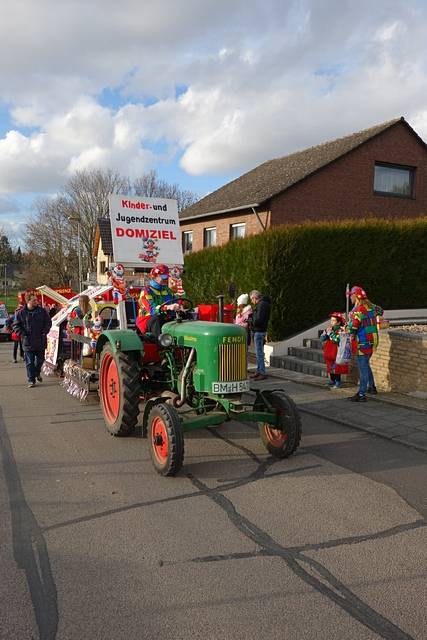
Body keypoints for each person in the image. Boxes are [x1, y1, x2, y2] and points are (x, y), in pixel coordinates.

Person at [346, 285, 383, 402]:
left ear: (355, 296)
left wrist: (348, 329)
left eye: (351, 295)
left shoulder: (358, 310)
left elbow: (354, 326)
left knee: (363, 369)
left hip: (361, 342)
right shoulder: (372, 307)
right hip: (372, 341)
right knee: (366, 365)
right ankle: (372, 387)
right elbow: (381, 311)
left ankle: (361, 394)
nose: (350, 298)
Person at [13, 292, 52, 388]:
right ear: (28, 301)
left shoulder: (42, 311)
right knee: (30, 362)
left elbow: (48, 322)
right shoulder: (21, 313)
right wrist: (23, 334)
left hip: (40, 341)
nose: (37, 301)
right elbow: (16, 325)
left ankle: (37, 373)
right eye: (34, 300)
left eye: (36, 300)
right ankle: (31, 380)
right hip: (28, 342)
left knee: (40, 360)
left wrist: (44, 332)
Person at [137, 264, 181, 337]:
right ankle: (160, 344)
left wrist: (179, 305)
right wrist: (167, 307)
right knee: (157, 319)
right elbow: (152, 310)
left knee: (184, 316)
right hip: (147, 319)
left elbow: (174, 301)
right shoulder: (146, 291)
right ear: (155, 277)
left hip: (165, 316)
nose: (165, 280)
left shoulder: (166, 289)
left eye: (166, 277)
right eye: (163, 277)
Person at [320, 312, 348, 388]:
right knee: (330, 366)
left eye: (333, 320)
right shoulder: (329, 329)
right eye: (331, 320)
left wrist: (330, 333)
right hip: (329, 350)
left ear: (338, 322)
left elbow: (336, 339)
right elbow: (322, 339)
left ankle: (337, 381)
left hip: (337, 350)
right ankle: (332, 380)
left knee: (337, 367)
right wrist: (325, 333)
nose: (331, 322)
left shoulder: (341, 330)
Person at [249, 290, 271, 380]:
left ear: (255, 298)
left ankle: (262, 372)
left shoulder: (261, 305)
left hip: (259, 331)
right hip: (261, 330)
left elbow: (259, 319)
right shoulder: (264, 304)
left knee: (259, 354)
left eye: (252, 299)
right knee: (258, 353)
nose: (252, 301)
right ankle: (259, 370)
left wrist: (251, 321)